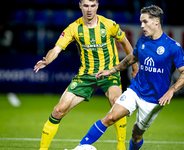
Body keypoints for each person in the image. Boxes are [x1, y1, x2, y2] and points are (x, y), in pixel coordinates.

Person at [70, 5, 184, 150]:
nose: (142, 25)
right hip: (135, 90)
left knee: (136, 135)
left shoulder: (173, 46)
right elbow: (131, 58)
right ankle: (79, 147)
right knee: (110, 118)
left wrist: (171, 90)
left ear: (157, 22)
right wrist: (111, 70)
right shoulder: (142, 41)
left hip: (154, 99)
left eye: (145, 21)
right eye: (141, 22)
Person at [34, 0, 138, 150]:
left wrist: (134, 68)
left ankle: (121, 147)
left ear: (97, 6)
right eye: (86, 6)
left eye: (92, 6)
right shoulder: (74, 28)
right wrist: (47, 60)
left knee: (117, 102)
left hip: (109, 73)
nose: (89, 9)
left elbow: (126, 43)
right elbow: (56, 49)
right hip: (86, 76)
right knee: (58, 110)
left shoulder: (109, 25)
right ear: (80, 6)